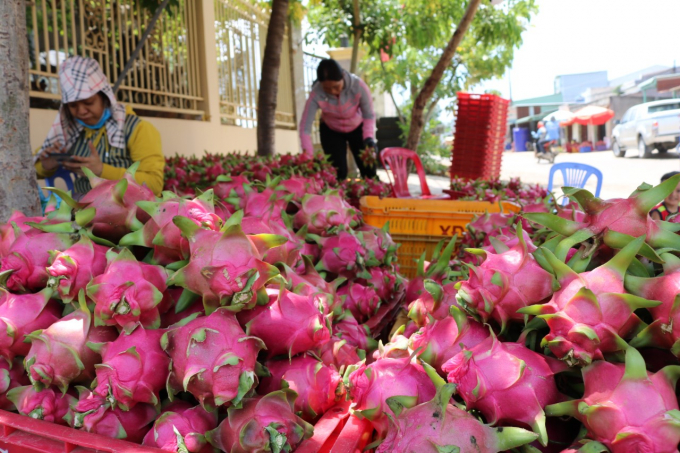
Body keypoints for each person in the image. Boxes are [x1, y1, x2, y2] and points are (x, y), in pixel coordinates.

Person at [35, 56, 164, 196]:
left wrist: (102, 171)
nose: (81, 111)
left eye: (89, 103)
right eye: (73, 106)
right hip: (82, 206)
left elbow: (154, 184)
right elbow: (30, 168)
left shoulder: (138, 129)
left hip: (127, 209)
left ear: (105, 97)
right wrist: (45, 166)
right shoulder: (69, 130)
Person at [299, 59, 377, 180]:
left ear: (343, 76)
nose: (333, 91)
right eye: (327, 89)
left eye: (336, 86)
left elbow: (369, 115)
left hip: (357, 128)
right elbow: (305, 128)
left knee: (369, 170)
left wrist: (368, 138)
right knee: (337, 173)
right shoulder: (316, 92)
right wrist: (308, 156)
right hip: (331, 130)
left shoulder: (358, 86)